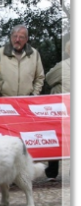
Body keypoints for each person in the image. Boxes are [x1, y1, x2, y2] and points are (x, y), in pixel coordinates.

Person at [0, 25, 45, 98]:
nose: (17, 40)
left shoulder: (35, 55)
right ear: (11, 37)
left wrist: (34, 95)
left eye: (21, 37)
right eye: (15, 36)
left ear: (26, 39)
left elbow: (40, 77)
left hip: (27, 101)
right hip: (4, 101)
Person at [43, 39, 70, 180]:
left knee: (56, 136)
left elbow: (48, 77)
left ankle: (52, 172)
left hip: (61, 108)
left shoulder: (63, 66)